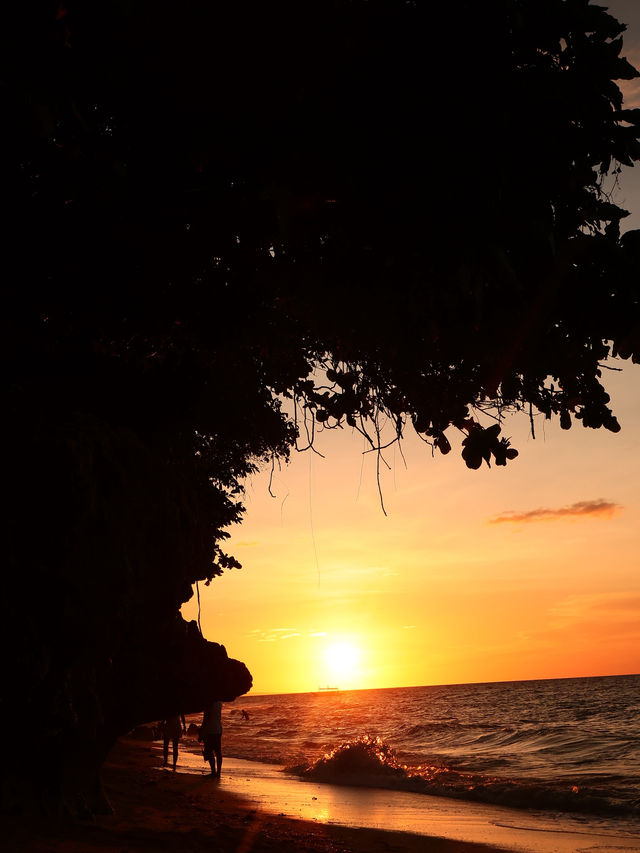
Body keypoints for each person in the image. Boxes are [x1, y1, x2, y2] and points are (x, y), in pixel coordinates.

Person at [199, 700, 223, 778]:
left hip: (210, 730)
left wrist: (201, 731)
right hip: (218, 729)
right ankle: (218, 773)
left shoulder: (209, 703)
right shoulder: (219, 702)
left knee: (209, 751)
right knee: (218, 752)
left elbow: (206, 719)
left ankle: (213, 772)